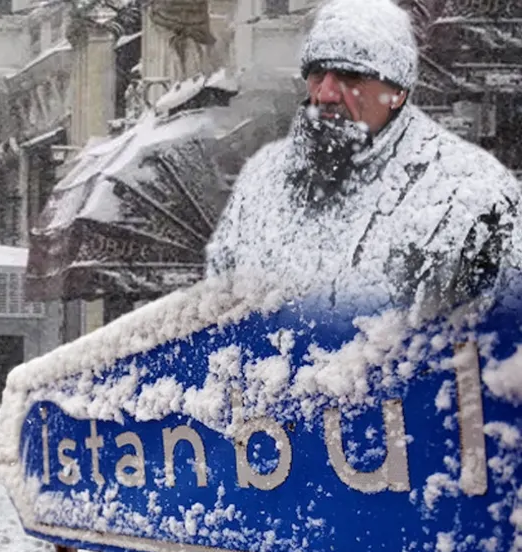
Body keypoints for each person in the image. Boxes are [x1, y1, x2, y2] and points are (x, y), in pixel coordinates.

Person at [205, 0, 520, 316]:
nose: (326, 94)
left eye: (350, 76)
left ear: (398, 92)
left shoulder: (474, 199)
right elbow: (219, 310)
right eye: (317, 73)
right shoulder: (261, 180)